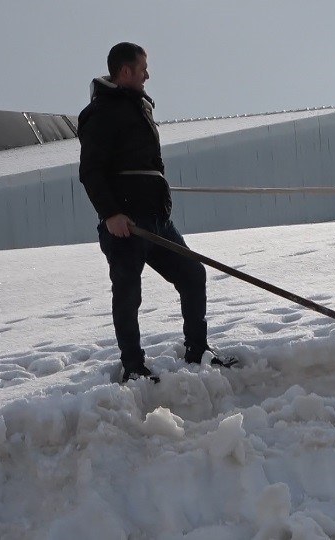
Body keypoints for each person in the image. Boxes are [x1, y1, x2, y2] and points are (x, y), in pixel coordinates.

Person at [78, 42, 234, 383]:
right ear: (125, 72)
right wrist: (110, 214)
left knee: (192, 274)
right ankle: (133, 367)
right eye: (142, 68)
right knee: (128, 291)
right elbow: (91, 170)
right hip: (126, 223)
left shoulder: (138, 108)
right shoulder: (103, 112)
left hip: (157, 220)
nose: (148, 74)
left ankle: (198, 350)